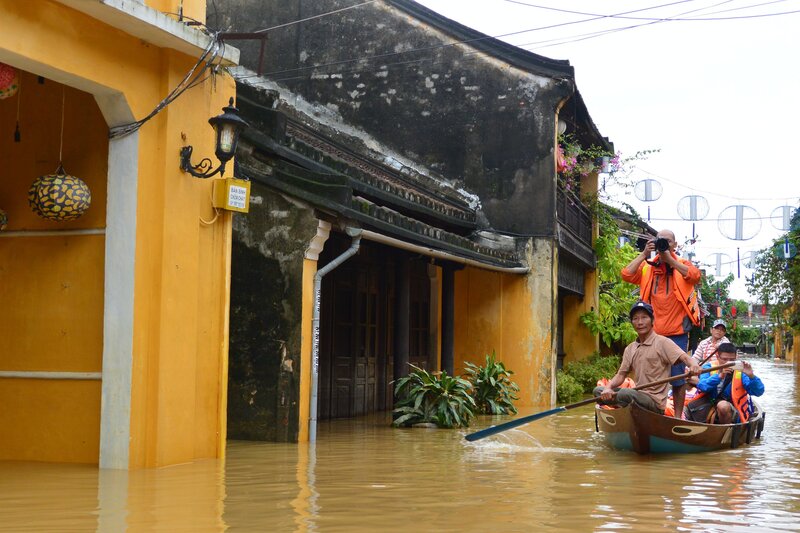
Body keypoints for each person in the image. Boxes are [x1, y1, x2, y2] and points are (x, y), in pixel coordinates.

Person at [622, 229, 702, 418]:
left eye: (667, 242)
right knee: (647, 374)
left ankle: (677, 417)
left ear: (675, 245)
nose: (663, 245)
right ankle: (648, 412)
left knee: (677, 378)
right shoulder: (647, 267)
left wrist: (670, 260)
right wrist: (644, 254)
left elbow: (695, 276)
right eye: (660, 241)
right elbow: (626, 274)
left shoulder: (682, 264)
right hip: (652, 334)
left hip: (677, 331)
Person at [594, 301, 700, 414]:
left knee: (626, 393)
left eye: (644, 318)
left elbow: (685, 358)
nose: (640, 322)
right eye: (635, 319)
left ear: (652, 321)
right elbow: (621, 375)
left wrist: (694, 365)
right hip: (637, 395)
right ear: (632, 322)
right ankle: (623, 408)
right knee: (598, 391)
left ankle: (623, 405)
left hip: (654, 402)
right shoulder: (630, 348)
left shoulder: (662, 342)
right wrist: (608, 388)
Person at [696, 342, 764, 424]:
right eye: (724, 359)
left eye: (732, 360)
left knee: (723, 405)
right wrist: (719, 376)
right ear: (717, 356)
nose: (728, 363)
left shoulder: (741, 370)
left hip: (734, 408)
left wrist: (752, 376)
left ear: (736, 357)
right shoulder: (708, 367)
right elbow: (702, 386)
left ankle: (727, 430)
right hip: (708, 405)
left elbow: (758, 392)